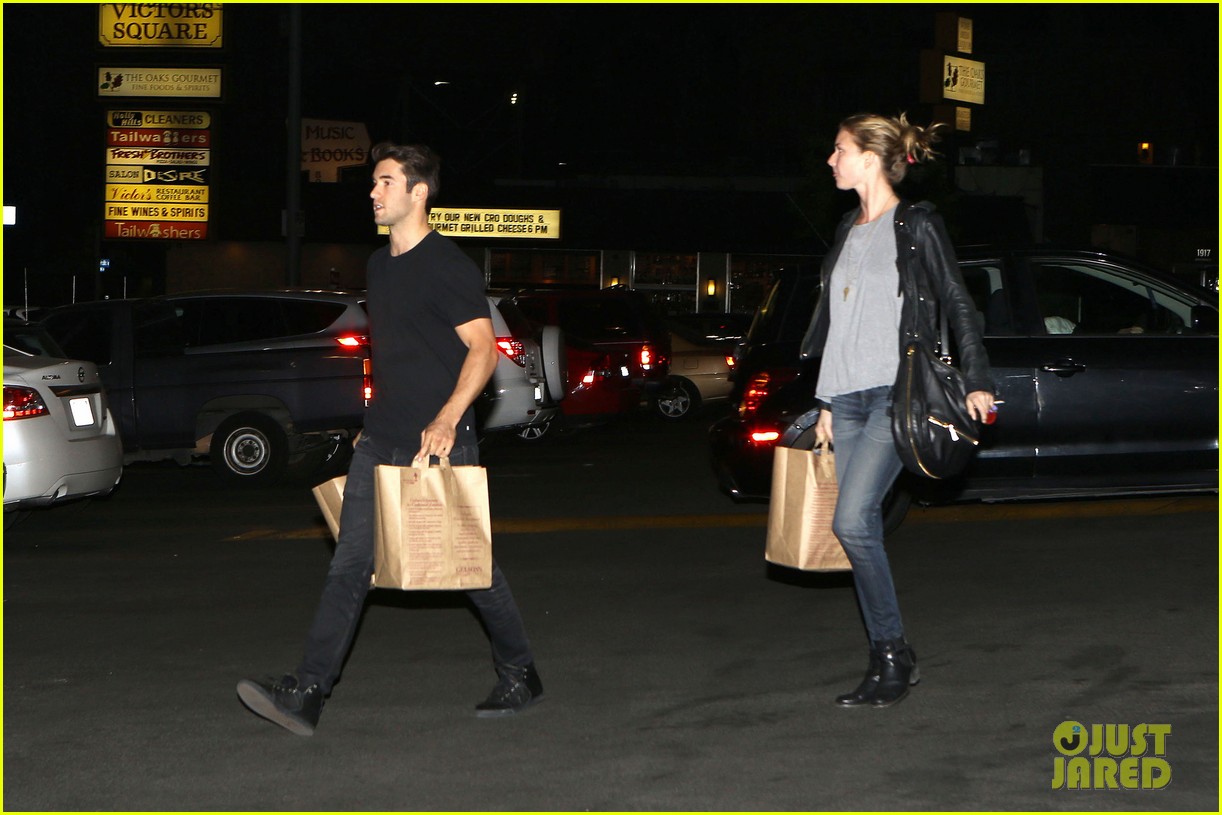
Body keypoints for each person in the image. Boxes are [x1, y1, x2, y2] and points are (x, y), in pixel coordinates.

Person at [237, 143, 542, 735]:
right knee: (349, 565)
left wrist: (449, 418)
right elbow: (397, 353)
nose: (372, 193)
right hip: (380, 442)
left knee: (472, 570)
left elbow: (483, 349)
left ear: (417, 192)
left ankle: (520, 671)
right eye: (373, 184)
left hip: (439, 443)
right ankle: (308, 691)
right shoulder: (379, 265)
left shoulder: (446, 265)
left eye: (383, 182)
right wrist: (370, 424)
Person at [798, 113, 994, 708]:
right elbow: (840, 320)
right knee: (861, 531)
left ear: (870, 158)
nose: (830, 161)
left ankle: (892, 655)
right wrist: (826, 399)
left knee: (852, 522)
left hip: (893, 394)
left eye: (839, 149)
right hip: (848, 399)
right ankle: (892, 653)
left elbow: (959, 302)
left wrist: (977, 379)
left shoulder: (916, 224)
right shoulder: (845, 229)